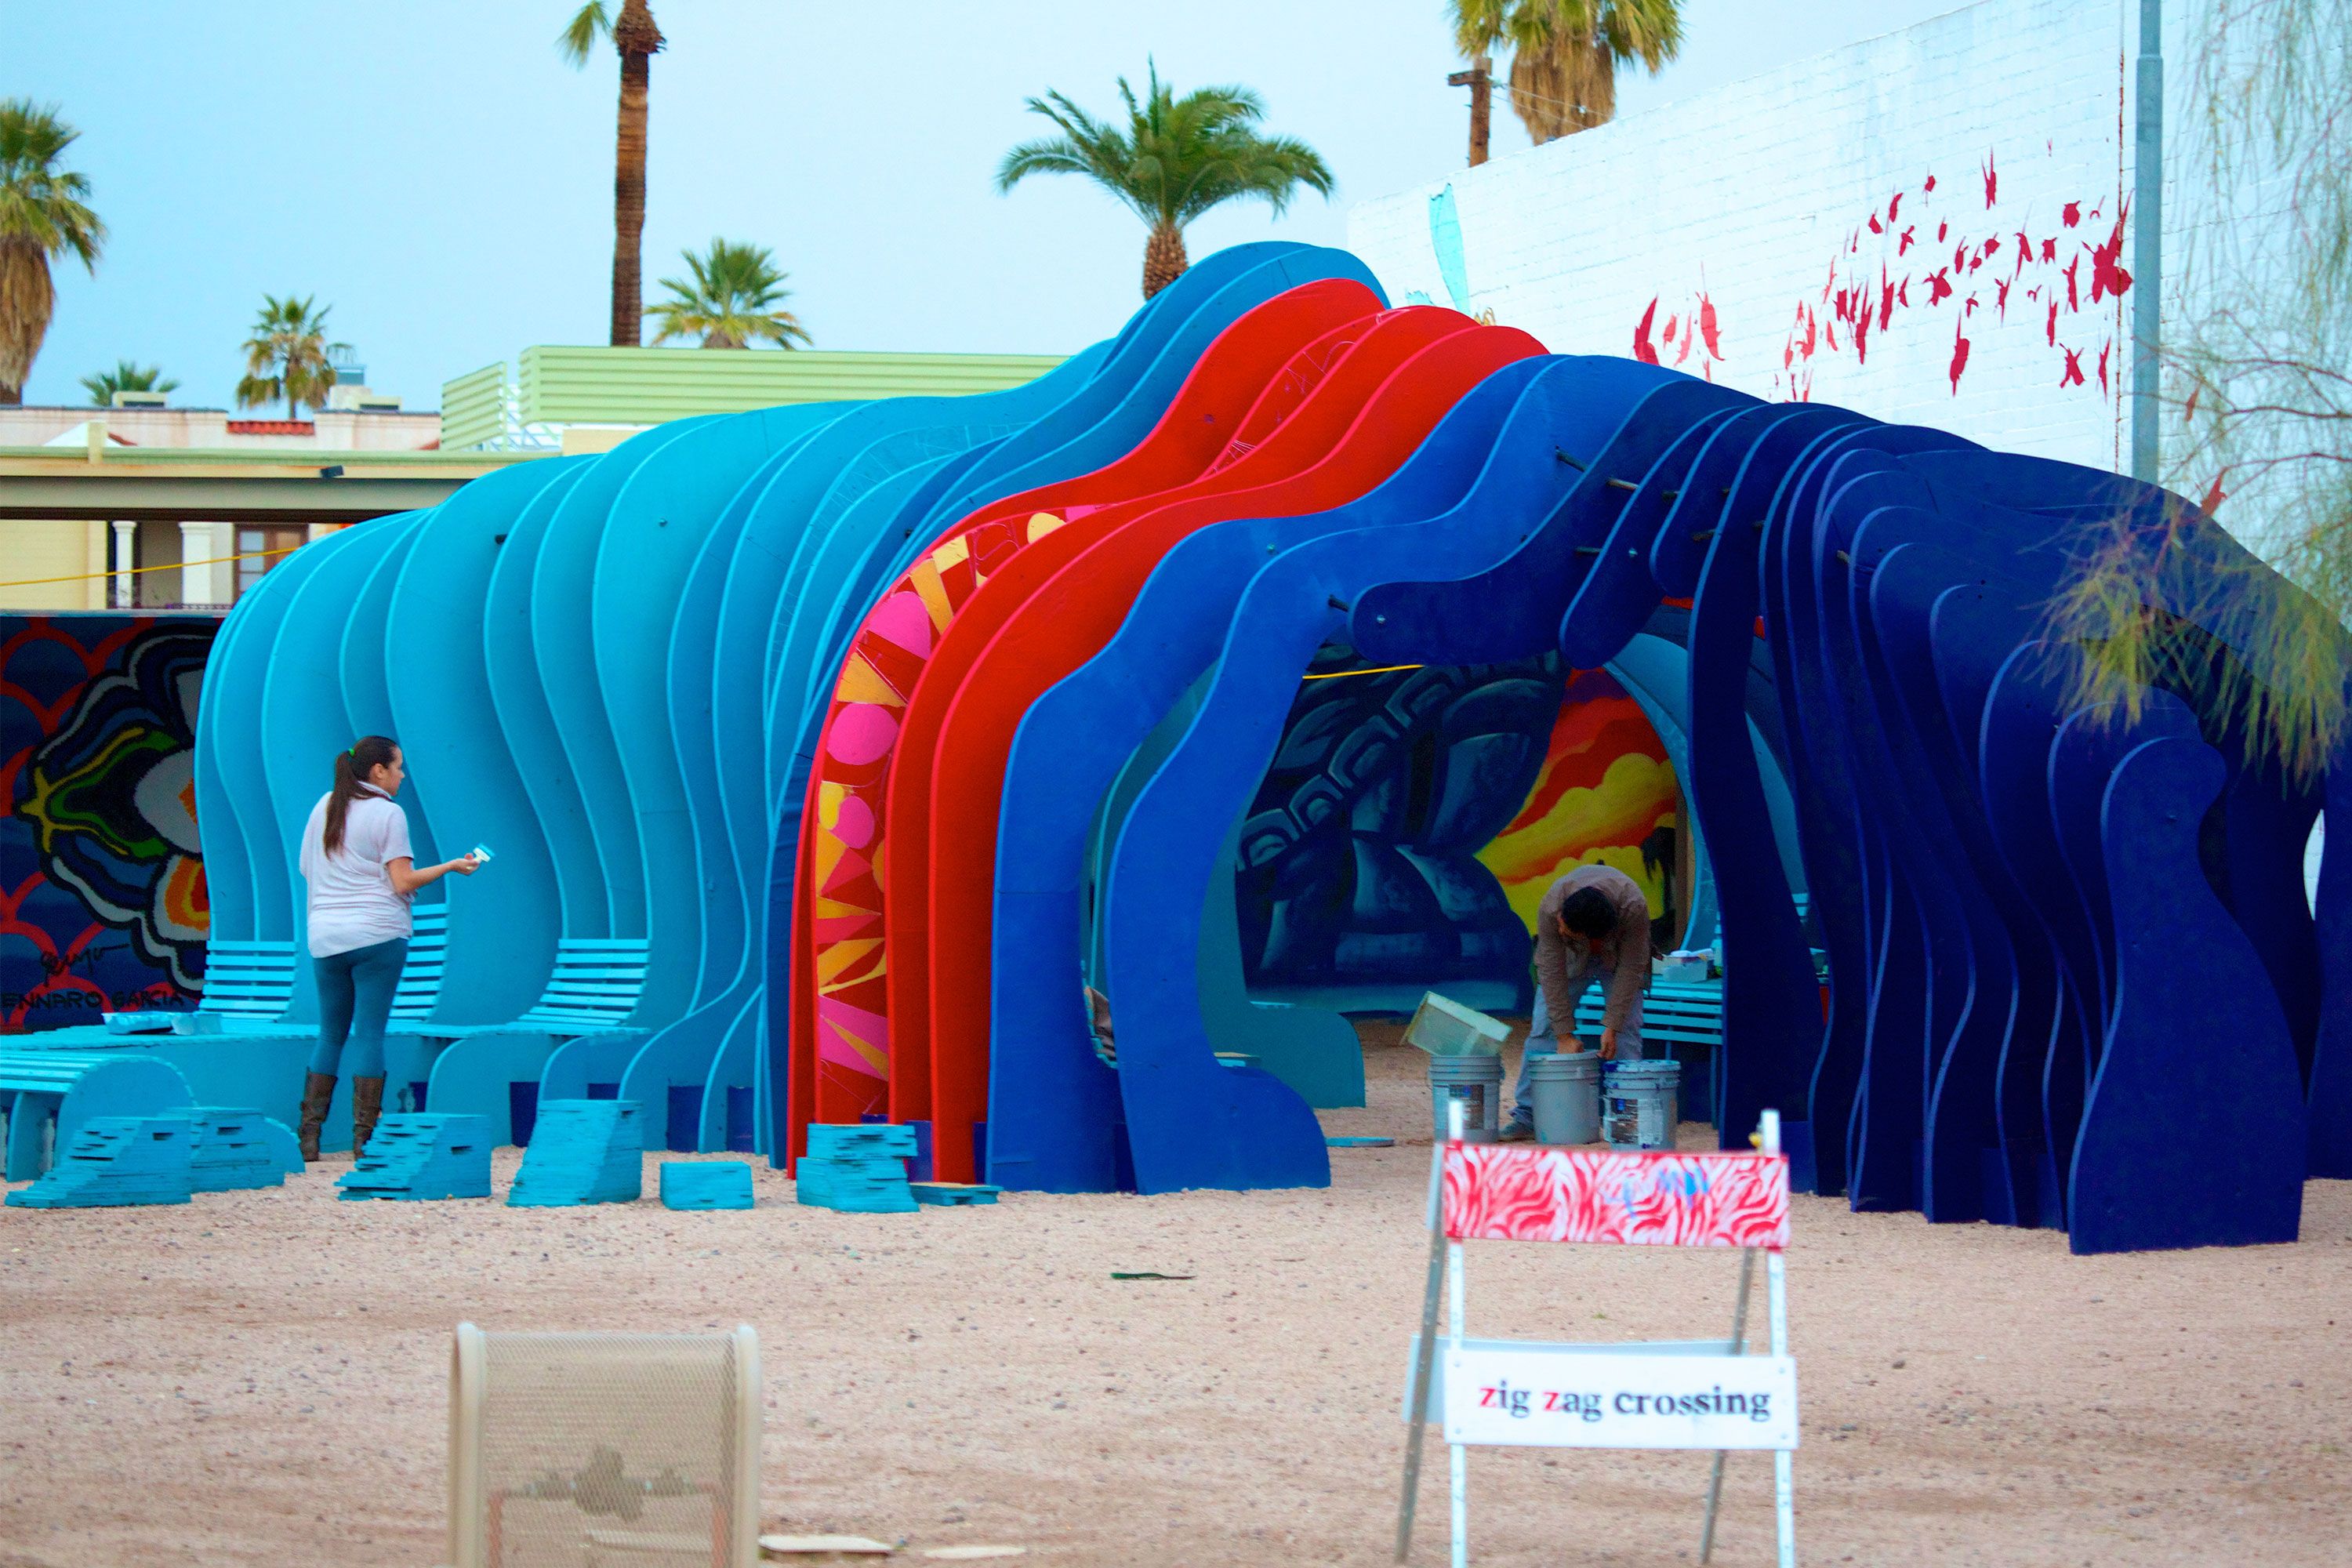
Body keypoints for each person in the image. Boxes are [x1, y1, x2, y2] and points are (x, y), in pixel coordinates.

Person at [295, 736, 478, 1162]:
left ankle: (309, 1137)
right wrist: (452, 865)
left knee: (330, 1034)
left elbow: (307, 868)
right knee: (370, 1034)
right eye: (398, 767)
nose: (402, 775)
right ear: (378, 771)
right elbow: (402, 882)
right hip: (378, 935)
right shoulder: (388, 813)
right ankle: (364, 1140)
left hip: (325, 937)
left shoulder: (324, 806)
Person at [1500, 863, 1653, 1142]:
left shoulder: (1634, 909)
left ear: (1590, 937)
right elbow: (1550, 971)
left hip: (1617, 958)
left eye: (1566, 928)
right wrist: (1563, 1034)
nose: (1559, 926)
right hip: (1569, 960)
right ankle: (1528, 1114)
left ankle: (1627, 1114)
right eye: (1561, 921)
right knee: (1543, 1027)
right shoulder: (1553, 907)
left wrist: (1612, 1026)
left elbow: (1632, 967)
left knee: (1627, 1029)